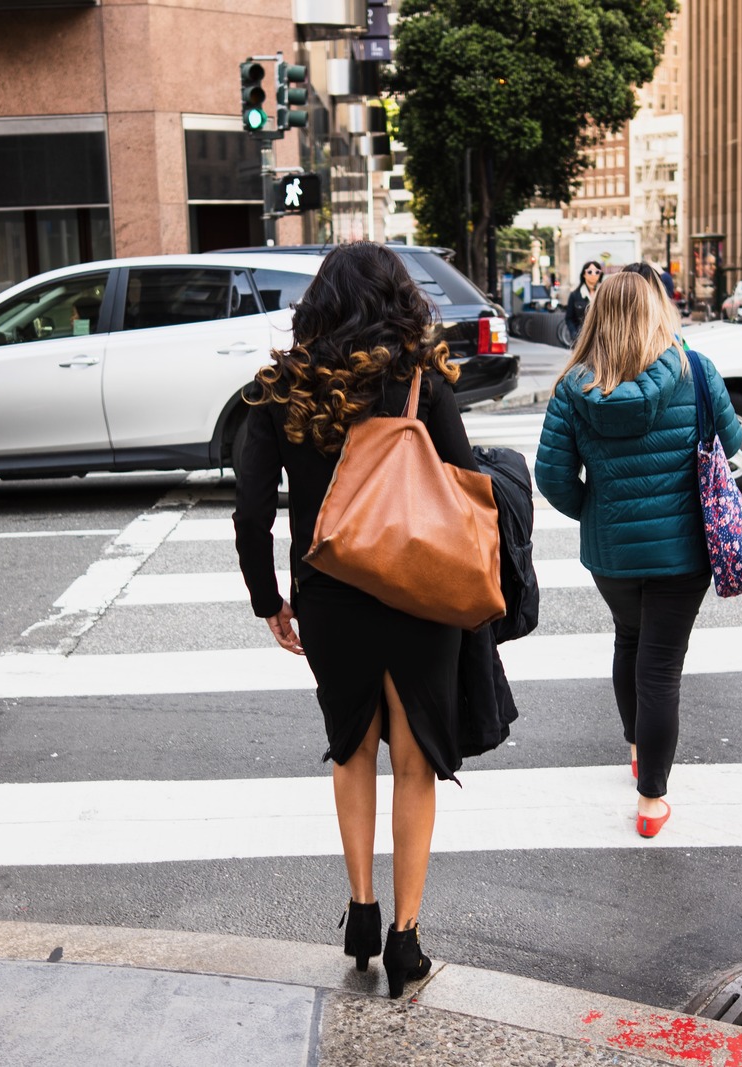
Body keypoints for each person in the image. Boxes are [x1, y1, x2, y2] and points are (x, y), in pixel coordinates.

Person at [233, 241, 477, 999]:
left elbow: (250, 512)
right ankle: (407, 937)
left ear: (320, 303)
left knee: (352, 748)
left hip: (328, 594)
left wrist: (268, 599)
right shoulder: (420, 379)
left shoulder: (279, 388)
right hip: (418, 588)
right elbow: (464, 481)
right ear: (400, 299)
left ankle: (361, 914)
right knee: (416, 759)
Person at [534, 272, 742, 839]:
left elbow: (551, 477)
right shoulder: (694, 368)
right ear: (656, 312)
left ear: (597, 317)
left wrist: (593, 509)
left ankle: (634, 748)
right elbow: (731, 441)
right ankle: (651, 799)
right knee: (661, 669)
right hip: (684, 549)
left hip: (613, 552)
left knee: (629, 638)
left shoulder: (573, 386)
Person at [564, 260, 603, 341]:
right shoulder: (575, 295)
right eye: (590, 272)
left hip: (601, 338)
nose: (593, 274)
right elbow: (569, 318)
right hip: (581, 338)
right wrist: (574, 334)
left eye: (597, 272)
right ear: (584, 274)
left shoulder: (604, 293)